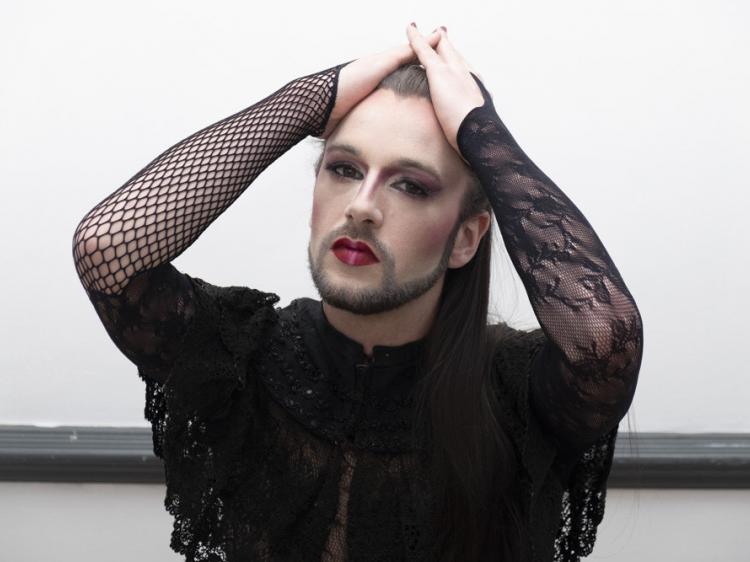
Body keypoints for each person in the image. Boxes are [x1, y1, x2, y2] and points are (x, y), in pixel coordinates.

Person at [72, 23, 643, 562]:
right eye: (343, 169)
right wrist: (310, 99)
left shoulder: (513, 391)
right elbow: (106, 249)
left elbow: (605, 338)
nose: (362, 206)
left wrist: (478, 128)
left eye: (411, 185)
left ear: (467, 237)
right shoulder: (242, 355)